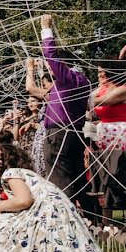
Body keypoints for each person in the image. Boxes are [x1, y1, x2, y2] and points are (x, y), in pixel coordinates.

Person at [0, 143, 118, 252]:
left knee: (2, 225)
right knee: (27, 237)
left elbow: (24, 200)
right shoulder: (27, 173)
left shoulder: (11, 173)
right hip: (58, 211)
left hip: (45, 211)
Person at [36, 14, 97, 218]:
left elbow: (51, 56)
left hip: (59, 134)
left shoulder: (67, 79)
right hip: (75, 133)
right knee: (77, 176)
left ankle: (65, 219)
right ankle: (93, 217)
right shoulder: (84, 81)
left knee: (59, 177)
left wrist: (46, 29)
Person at [91, 57, 126, 220]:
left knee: (124, 177)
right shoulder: (100, 89)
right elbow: (89, 109)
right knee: (106, 179)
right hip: (103, 139)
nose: (99, 75)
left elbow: (98, 101)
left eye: (102, 72)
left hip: (122, 138)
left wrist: (96, 92)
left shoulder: (124, 89)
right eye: (98, 72)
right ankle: (107, 222)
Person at [24, 57, 54, 175]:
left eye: (44, 86)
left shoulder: (53, 95)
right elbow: (45, 81)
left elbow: (30, 88)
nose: (42, 88)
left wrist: (30, 68)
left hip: (46, 140)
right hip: (41, 140)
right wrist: (40, 68)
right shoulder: (49, 97)